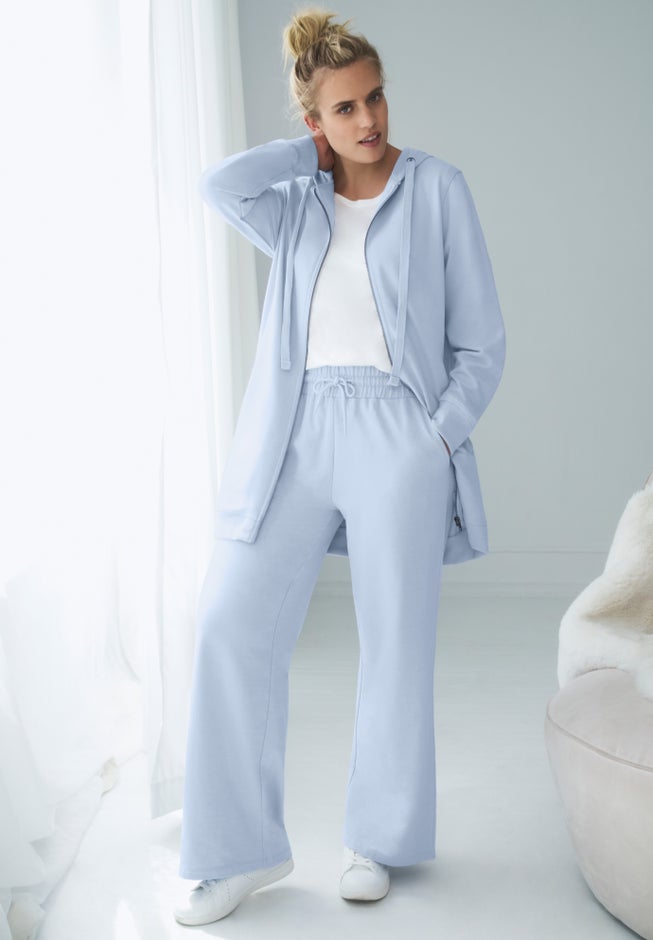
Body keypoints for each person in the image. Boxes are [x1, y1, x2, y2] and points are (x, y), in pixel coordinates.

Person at [173, 6, 506, 927]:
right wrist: (305, 157)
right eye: (345, 108)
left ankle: (376, 840)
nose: (370, 119)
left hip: (397, 431)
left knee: (393, 642)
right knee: (230, 623)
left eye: (376, 98)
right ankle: (239, 852)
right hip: (296, 429)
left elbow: (482, 344)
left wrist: (433, 438)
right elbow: (217, 186)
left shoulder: (436, 189)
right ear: (315, 120)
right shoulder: (295, 203)